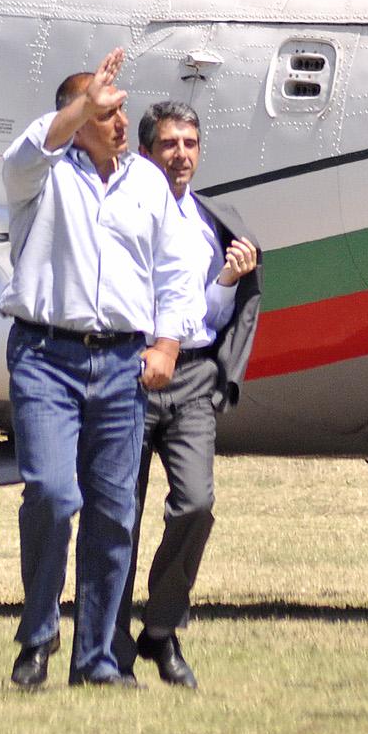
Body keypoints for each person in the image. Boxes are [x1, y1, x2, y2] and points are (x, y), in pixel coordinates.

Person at [0, 48, 197, 688]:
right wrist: (82, 104)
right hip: (45, 356)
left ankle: (97, 659)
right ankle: (38, 635)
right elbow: (27, 151)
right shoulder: (41, 174)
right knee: (55, 497)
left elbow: (175, 273)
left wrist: (167, 345)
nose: (120, 123)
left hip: (121, 362)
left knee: (115, 513)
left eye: (121, 111)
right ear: (75, 117)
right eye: (105, 112)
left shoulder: (146, 184)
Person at [113, 101, 262, 689]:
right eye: (170, 143)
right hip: (130, 370)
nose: (182, 154)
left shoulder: (212, 218)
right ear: (147, 151)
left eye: (191, 143)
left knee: (196, 504)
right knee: (118, 513)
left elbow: (213, 311)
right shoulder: (124, 213)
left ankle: (160, 628)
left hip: (194, 376)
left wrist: (228, 281)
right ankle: (107, 638)